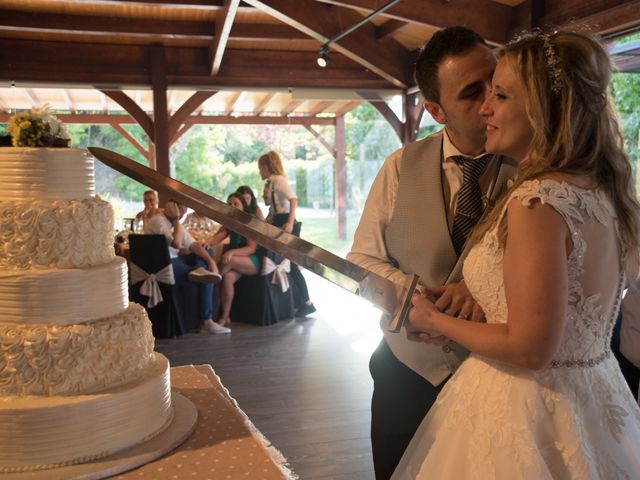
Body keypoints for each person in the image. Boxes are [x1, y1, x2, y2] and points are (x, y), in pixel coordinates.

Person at [392, 31, 640, 478]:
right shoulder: (604, 189)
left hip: (526, 409)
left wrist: (435, 321)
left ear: (546, 108)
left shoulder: (536, 201)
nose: (486, 107)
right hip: (596, 396)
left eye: (500, 95)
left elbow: (531, 348)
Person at [346, 26, 515, 479]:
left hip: (502, 377)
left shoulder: (535, 169)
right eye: (471, 94)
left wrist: (479, 289)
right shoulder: (400, 168)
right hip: (408, 373)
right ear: (436, 110)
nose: (489, 103)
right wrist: (415, 298)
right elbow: (362, 260)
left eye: (495, 86)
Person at [145, 200, 230, 334]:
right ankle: (206, 321)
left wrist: (211, 261)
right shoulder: (159, 221)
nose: (185, 212)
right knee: (207, 278)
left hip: (176, 262)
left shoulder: (174, 223)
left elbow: (193, 245)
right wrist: (176, 219)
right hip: (163, 266)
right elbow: (177, 243)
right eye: (183, 207)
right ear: (173, 206)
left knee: (205, 251)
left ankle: (200, 271)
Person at [258, 150, 316, 317]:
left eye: (261, 167)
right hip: (279, 221)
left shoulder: (278, 180)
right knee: (289, 265)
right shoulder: (271, 182)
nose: (260, 171)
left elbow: (293, 199)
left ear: (267, 166)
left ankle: (306, 302)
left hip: (285, 224)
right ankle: (303, 302)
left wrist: (289, 223)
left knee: (291, 265)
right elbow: (274, 208)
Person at [204, 193, 261, 326]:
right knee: (228, 278)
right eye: (229, 204)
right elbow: (218, 236)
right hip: (238, 260)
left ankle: (210, 279)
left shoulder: (249, 220)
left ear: (243, 207)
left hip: (253, 260)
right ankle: (225, 316)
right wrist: (208, 242)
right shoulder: (229, 221)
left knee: (226, 262)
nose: (232, 206)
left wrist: (231, 252)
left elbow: (251, 248)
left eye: (236, 204)